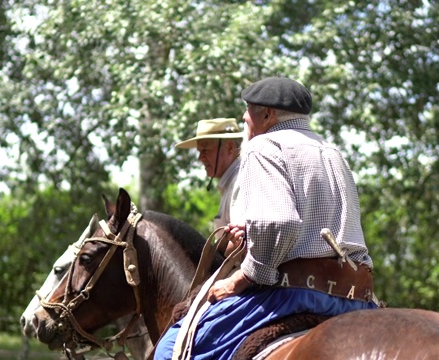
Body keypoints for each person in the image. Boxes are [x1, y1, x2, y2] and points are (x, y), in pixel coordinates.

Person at [155, 77, 378, 360]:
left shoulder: (263, 147)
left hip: (295, 294)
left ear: (268, 115)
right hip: (354, 297)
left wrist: (244, 278)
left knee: (168, 349)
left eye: (248, 110)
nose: (244, 118)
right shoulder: (333, 152)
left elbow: (278, 223)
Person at [175, 117, 243, 230]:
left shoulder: (238, 183)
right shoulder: (231, 183)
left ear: (230, 147)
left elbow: (242, 242)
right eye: (199, 151)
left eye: (205, 150)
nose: (200, 158)